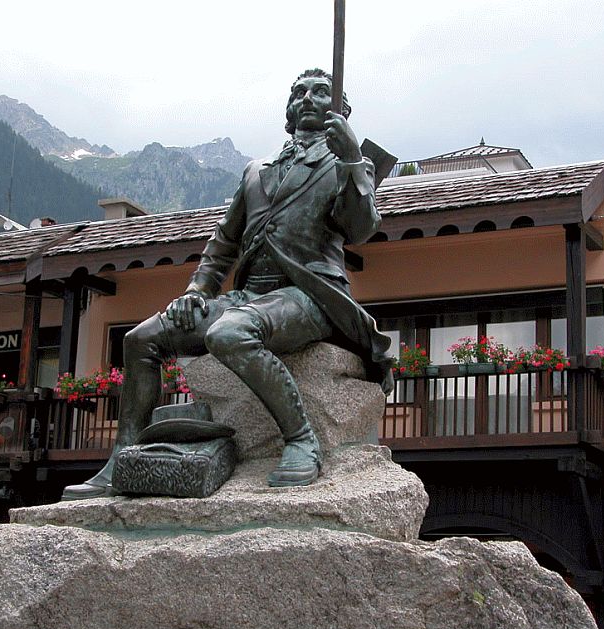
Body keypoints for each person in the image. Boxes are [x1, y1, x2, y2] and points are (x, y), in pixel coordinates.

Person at [63, 68, 393, 500]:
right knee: (143, 338)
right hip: (249, 295)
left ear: (341, 112)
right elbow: (222, 244)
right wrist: (197, 291)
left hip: (309, 295)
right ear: (288, 111)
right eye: (299, 93)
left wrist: (350, 157)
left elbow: (359, 228)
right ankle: (123, 455)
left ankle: (301, 439)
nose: (307, 98)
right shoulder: (256, 171)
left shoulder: (350, 166)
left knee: (229, 333)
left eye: (321, 93)